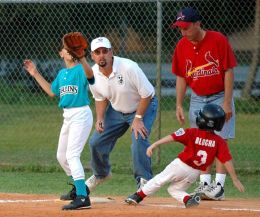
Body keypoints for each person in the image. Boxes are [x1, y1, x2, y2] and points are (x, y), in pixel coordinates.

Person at [171, 7, 237, 200]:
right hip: (197, 97)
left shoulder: (218, 39)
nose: (183, 32)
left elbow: (228, 71)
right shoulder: (181, 45)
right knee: (201, 140)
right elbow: (181, 77)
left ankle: (219, 187)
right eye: (180, 28)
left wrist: (226, 102)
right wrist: (178, 104)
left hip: (219, 96)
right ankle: (205, 184)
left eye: (186, 27)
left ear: (198, 23)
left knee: (219, 140)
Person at [23, 33, 94, 210]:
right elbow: (51, 91)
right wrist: (35, 73)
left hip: (81, 114)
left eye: (72, 49)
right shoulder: (62, 73)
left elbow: (90, 75)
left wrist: (82, 58)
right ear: (61, 53)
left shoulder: (80, 69)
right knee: (61, 156)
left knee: (72, 155)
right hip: (68, 116)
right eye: (66, 49)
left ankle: (83, 198)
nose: (69, 51)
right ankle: (80, 188)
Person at [125, 104, 244, 208]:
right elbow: (227, 160)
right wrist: (235, 179)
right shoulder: (220, 141)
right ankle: (188, 200)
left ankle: (137, 197)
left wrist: (154, 144)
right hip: (195, 173)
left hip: (180, 165)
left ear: (203, 121)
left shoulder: (192, 132)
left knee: (159, 180)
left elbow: (172, 137)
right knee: (174, 189)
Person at [84, 37, 158, 191]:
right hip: (117, 110)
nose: (102, 55)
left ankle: (144, 182)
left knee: (138, 138)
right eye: (97, 52)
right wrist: (100, 118)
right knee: (96, 142)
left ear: (111, 52)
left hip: (143, 105)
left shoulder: (128, 67)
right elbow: (100, 97)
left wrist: (138, 119)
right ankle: (101, 174)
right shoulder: (92, 74)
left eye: (105, 51)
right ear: (92, 55)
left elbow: (147, 94)